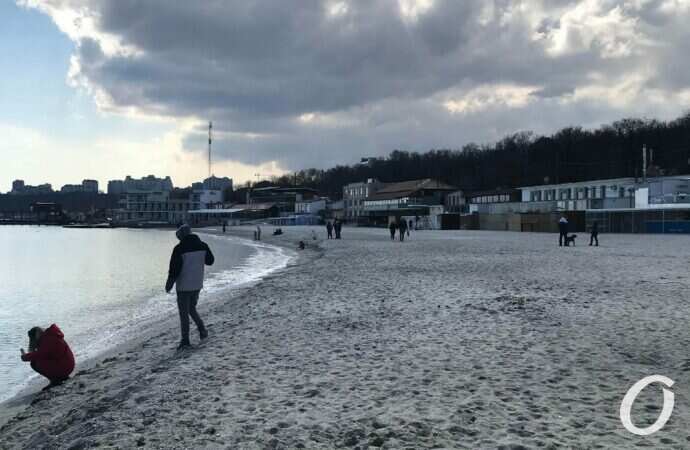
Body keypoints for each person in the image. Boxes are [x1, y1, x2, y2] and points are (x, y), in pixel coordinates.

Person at [166, 224, 214, 350]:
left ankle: (185, 340)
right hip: (197, 283)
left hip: (183, 285)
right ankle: (202, 330)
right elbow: (210, 261)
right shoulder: (203, 245)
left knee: (184, 313)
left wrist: (169, 284)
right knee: (191, 309)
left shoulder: (179, 248)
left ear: (181, 236)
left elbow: (174, 269)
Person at [20, 324, 75, 391]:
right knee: (38, 360)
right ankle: (61, 377)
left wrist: (24, 357)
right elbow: (44, 353)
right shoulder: (51, 335)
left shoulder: (48, 340)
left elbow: (39, 354)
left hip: (65, 367)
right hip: (68, 364)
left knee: (34, 363)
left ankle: (55, 380)